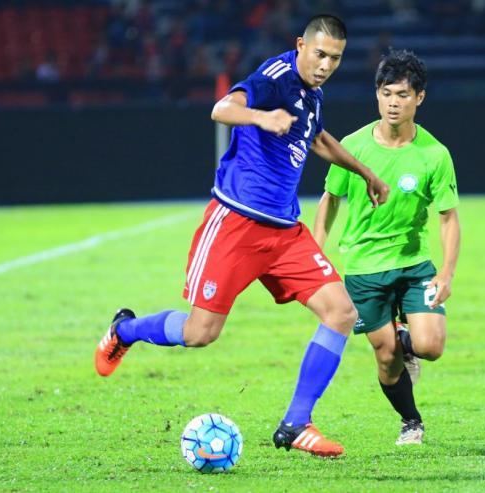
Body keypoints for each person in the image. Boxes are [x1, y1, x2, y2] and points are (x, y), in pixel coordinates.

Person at [94, 14, 390, 457]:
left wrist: (365, 171)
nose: (326, 64)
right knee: (200, 332)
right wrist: (260, 117)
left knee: (340, 312)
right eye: (320, 53)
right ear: (300, 45)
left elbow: (318, 140)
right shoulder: (275, 76)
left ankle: (296, 423)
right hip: (237, 223)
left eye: (336, 58)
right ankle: (126, 330)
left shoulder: (312, 93)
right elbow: (222, 109)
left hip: (285, 232)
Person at [314, 49, 460, 445]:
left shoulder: (434, 154)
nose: (393, 103)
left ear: (420, 98)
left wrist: (446, 272)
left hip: (414, 265)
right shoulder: (353, 146)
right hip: (364, 268)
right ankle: (411, 421)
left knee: (430, 346)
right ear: (377, 95)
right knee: (387, 358)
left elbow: (448, 217)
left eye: (403, 95)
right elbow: (330, 199)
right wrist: (317, 249)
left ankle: (407, 340)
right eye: (386, 93)